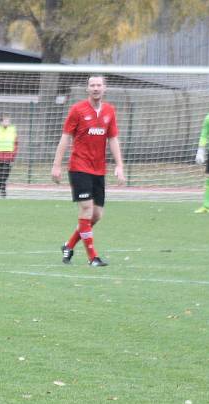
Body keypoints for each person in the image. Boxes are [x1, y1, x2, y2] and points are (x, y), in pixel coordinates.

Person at [52, 75, 125, 267]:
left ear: (104, 88)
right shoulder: (77, 110)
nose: (95, 88)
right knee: (86, 209)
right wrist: (56, 165)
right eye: (92, 85)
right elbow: (66, 138)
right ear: (87, 89)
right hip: (79, 167)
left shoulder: (109, 111)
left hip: (99, 170)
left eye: (99, 85)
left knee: (97, 215)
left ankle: (68, 245)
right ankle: (93, 257)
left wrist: (119, 165)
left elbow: (113, 139)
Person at [0, 115, 18, 198]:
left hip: (9, 155)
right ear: (1, 122)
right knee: (0, 173)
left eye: (8, 121)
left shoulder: (12, 129)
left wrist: (14, 154)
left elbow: (16, 143)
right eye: (6, 121)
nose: (7, 122)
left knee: (6, 173)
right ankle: (3, 191)